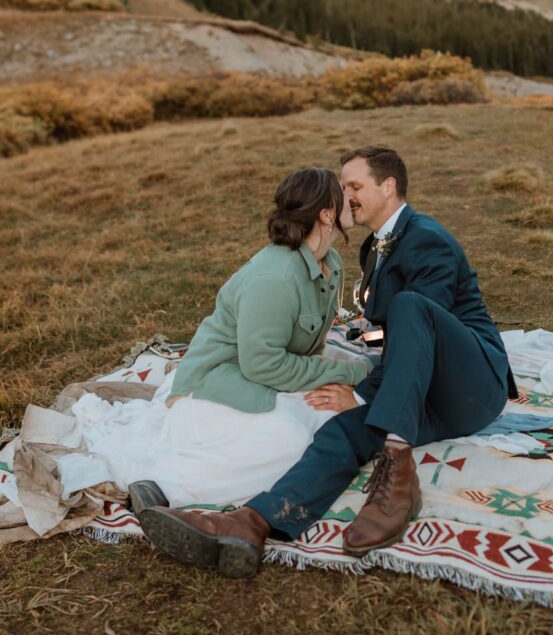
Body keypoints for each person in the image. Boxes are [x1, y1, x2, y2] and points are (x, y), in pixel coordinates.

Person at [139, 146, 517, 577]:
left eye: (355, 185)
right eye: (343, 188)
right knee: (338, 429)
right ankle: (251, 523)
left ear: (388, 186)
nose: (347, 195)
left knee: (409, 310)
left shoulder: (427, 238)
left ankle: (398, 473)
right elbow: (391, 336)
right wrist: (363, 360)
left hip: (472, 384)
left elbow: (421, 333)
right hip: (422, 398)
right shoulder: (371, 248)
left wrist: (361, 391)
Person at [125, 166, 371, 512]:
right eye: (343, 195)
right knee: (293, 439)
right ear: (327, 214)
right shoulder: (275, 278)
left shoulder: (330, 263)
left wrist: (340, 374)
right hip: (216, 384)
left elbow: (306, 349)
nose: (352, 198)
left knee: (332, 417)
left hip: (260, 380)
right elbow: (264, 365)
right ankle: (165, 485)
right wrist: (348, 372)